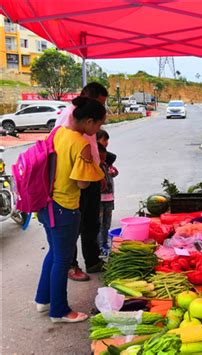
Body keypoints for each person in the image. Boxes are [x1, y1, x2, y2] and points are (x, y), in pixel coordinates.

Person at [35, 96, 105, 323]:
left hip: (45, 203)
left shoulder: (57, 132)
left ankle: (43, 300)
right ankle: (60, 311)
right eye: (99, 125)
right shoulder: (81, 143)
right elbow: (82, 182)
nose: (98, 130)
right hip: (65, 207)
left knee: (54, 253)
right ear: (89, 122)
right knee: (63, 260)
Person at [57, 83, 109, 282]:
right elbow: (64, 155)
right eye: (100, 104)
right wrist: (87, 178)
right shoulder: (68, 123)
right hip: (74, 184)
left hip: (89, 176)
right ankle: (71, 266)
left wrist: (99, 174)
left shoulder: (84, 128)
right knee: (73, 228)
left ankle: (92, 260)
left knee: (90, 222)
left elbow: (92, 150)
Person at [97, 141, 118, 256]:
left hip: (109, 199)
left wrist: (112, 170)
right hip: (99, 200)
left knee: (106, 224)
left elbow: (113, 158)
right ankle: (99, 245)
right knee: (99, 224)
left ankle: (104, 242)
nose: (103, 160)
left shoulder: (106, 164)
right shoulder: (95, 166)